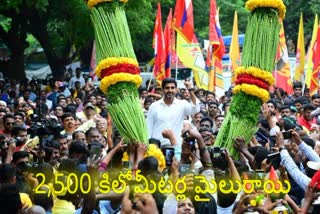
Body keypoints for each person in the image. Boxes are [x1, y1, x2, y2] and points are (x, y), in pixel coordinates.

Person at [147, 78, 200, 147]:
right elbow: (149, 127)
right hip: (158, 147)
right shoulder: (154, 106)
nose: (170, 90)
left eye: (172, 88)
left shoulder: (182, 104)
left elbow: (196, 109)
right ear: (162, 90)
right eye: (167, 88)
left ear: (176, 90)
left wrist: (190, 89)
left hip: (176, 146)